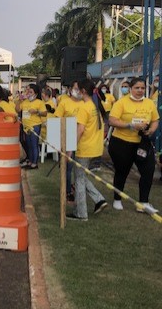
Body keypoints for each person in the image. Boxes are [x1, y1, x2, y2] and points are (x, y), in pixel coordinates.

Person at [108, 77, 159, 213]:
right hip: (122, 143)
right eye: (137, 88)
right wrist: (129, 125)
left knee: (148, 170)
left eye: (142, 88)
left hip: (142, 143)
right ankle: (117, 199)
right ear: (130, 89)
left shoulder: (149, 103)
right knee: (122, 171)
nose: (140, 90)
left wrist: (151, 130)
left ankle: (143, 202)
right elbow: (112, 121)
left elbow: (155, 120)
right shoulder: (121, 103)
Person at [67, 79, 107, 221]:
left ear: (83, 91)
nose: (75, 91)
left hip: (85, 148)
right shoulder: (95, 106)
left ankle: (81, 213)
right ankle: (99, 199)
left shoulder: (85, 107)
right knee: (82, 177)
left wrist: (70, 148)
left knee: (79, 180)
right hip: (95, 148)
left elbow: (80, 129)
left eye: (77, 89)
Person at [54, 81, 83, 202]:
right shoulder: (64, 103)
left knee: (80, 168)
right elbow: (57, 119)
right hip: (68, 138)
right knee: (67, 167)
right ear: (70, 89)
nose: (78, 91)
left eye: (80, 89)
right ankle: (66, 191)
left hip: (83, 139)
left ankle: (77, 189)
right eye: (76, 88)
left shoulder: (85, 103)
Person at [16, 83, 46, 169]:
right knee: (28, 144)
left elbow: (44, 113)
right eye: (27, 91)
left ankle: (35, 163)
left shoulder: (39, 102)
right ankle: (30, 161)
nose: (28, 93)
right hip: (26, 126)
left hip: (35, 125)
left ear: (36, 94)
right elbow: (17, 109)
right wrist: (19, 101)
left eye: (31, 92)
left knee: (34, 144)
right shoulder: (24, 102)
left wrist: (36, 112)